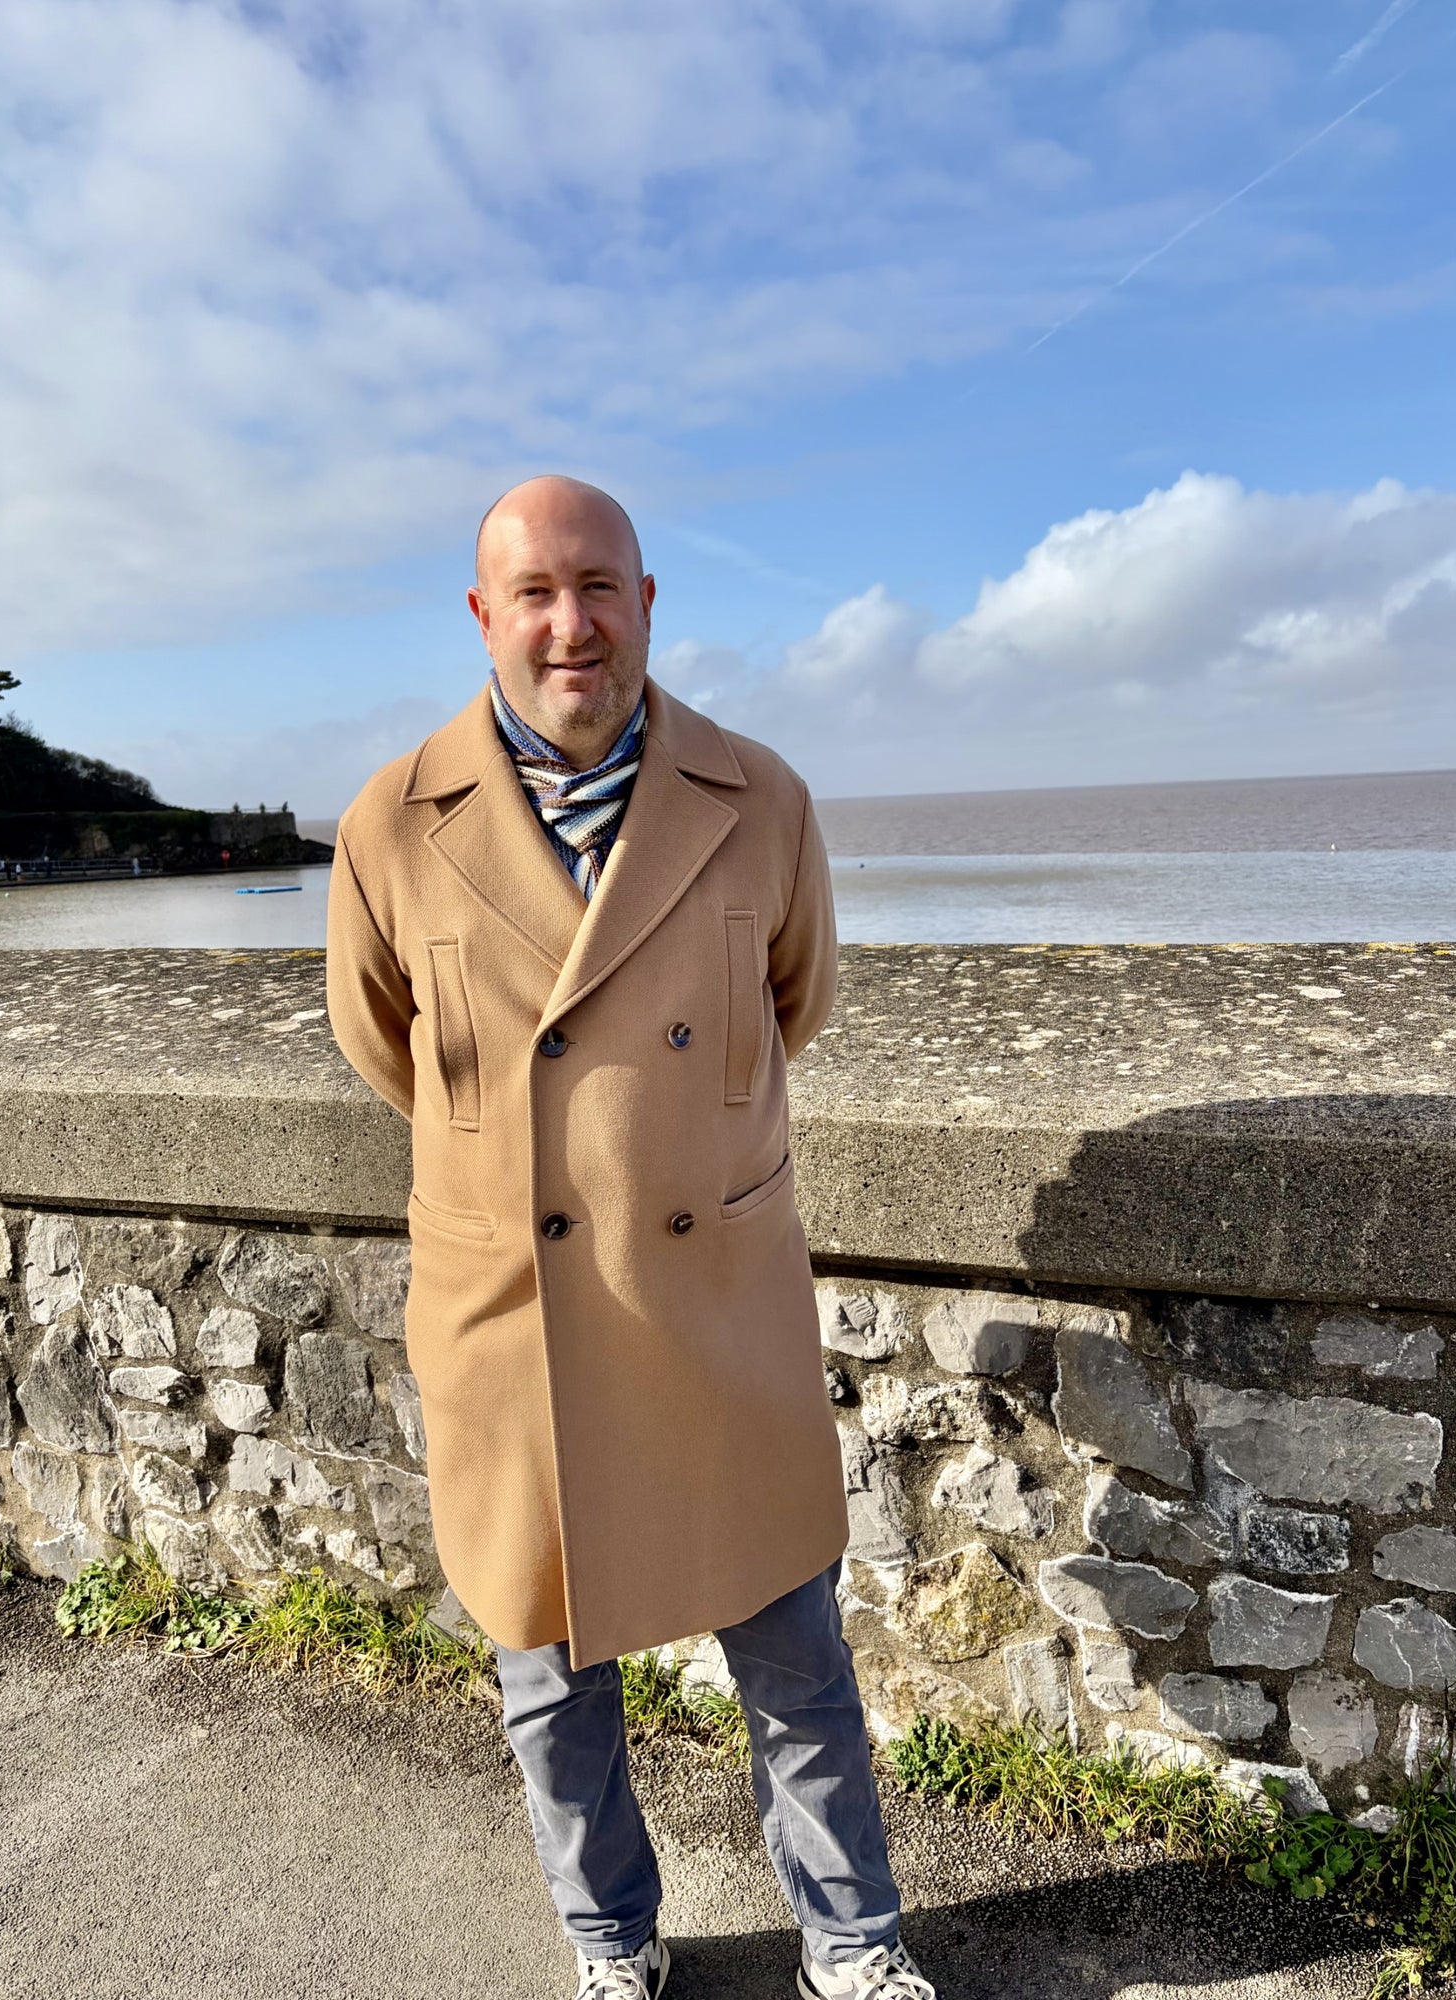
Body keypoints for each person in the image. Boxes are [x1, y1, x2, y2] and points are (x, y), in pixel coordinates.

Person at [326, 477, 934, 2000]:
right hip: (514, 1313)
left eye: (598, 586)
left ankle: (852, 1945)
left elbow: (795, 1004)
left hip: (715, 1296)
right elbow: (383, 1045)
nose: (569, 621)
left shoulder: (760, 798)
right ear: (484, 617)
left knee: (797, 1662)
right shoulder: (390, 825)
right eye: (533, 592)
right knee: (548, 1680)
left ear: (651, 601)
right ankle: (612, 1944)